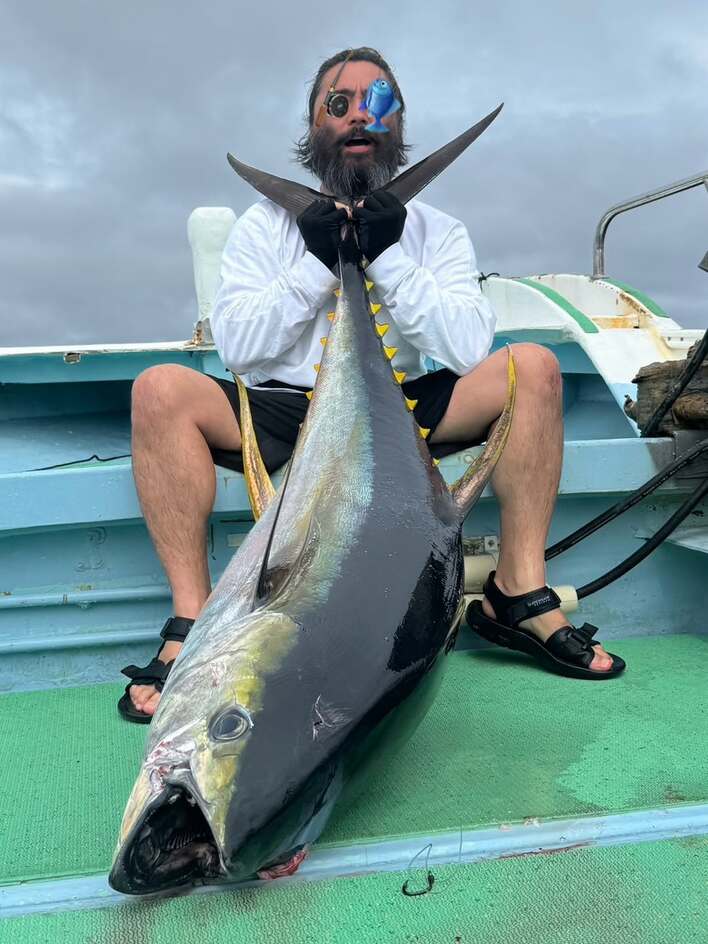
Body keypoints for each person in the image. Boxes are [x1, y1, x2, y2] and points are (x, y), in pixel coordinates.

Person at [118, 47, 624, 724]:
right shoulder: (263, 228)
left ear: (398, 123)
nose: (360, 115)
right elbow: (240, 349)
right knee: (159, 390)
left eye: (379, 102)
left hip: (401, 406)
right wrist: (316, 261)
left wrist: (387, 255)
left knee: (531, 368)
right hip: (286, 406)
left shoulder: (438, 231)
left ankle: (517, 591)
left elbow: (466, 347)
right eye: (341, 102)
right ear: (315, 124)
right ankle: (195, 617)